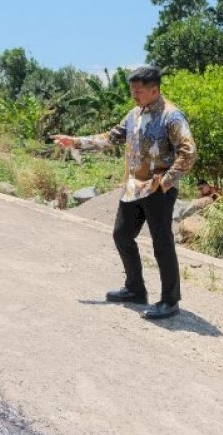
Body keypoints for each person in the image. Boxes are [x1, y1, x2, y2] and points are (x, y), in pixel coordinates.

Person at [52, 66, 197, 319]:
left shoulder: (172, 116)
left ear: (154, 90)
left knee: (162, 245)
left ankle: (170, 301)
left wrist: (166, 182)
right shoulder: (134, 115)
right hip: (134, 188)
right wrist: (75, 141)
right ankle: (135, 289)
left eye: (138, 92)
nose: (134, 96)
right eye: (132, 91)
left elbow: (189, 152)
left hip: (158, 190)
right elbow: (110, 137)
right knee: (121, 235)